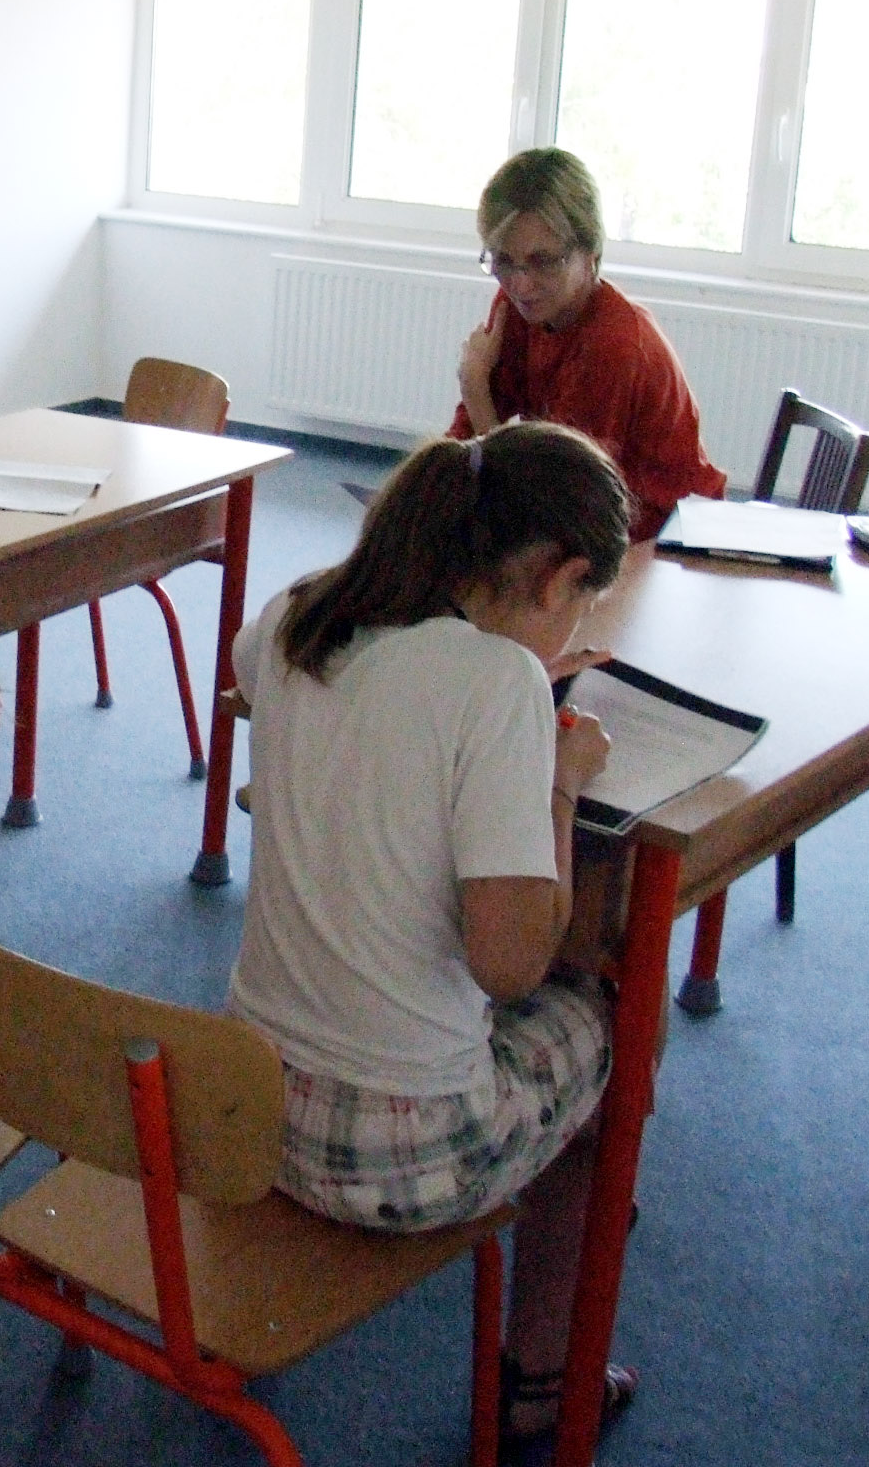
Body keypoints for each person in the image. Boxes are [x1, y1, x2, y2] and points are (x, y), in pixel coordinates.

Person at [225, 420, 639, 1453]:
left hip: (244, 1107)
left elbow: (270, 696)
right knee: (616, 1019)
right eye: (583, 603)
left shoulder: (296, 612)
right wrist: (554, 778)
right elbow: (511, 965)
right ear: (561, 577)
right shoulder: (498, 685)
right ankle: (542, 1374)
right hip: (401, 1163)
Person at [450, 147, 726, 540]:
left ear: (591, 254)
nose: (520, 284)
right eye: (504, 261)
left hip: (665, 539)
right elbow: (467, 445)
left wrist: (475, 389)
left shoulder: (615, 345)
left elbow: (554, 505)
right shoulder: (520, 309)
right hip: (588, 521)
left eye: (543, 261)